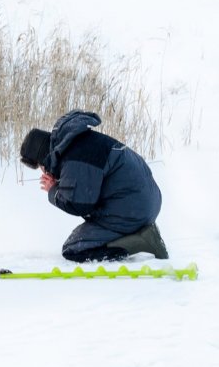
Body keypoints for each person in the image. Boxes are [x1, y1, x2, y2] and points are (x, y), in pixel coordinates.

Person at [19, 110, 168, 262]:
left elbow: (79, 205)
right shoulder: (77, 144)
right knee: (79, 239)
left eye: (41, 166)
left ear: (43, 157)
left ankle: (142, 241)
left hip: (132, 211)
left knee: (74, 249)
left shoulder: (76, 157)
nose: (44, 171)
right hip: (141, 204)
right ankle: (138, 231)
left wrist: (53, 191)